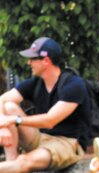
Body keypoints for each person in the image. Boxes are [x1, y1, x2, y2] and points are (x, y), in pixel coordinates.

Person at [0, 37, 91, 173]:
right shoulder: (36, 83)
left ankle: (14, 166)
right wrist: (3, 126)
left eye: (32, 59)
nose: (28, 63)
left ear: (46, 61)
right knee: (9, 107)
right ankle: (11, 162)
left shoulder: (73, 85)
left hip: (66, 143)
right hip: (40, 138)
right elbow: (2, 99)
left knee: (25, 162)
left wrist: (14, 120)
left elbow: (50, 120)